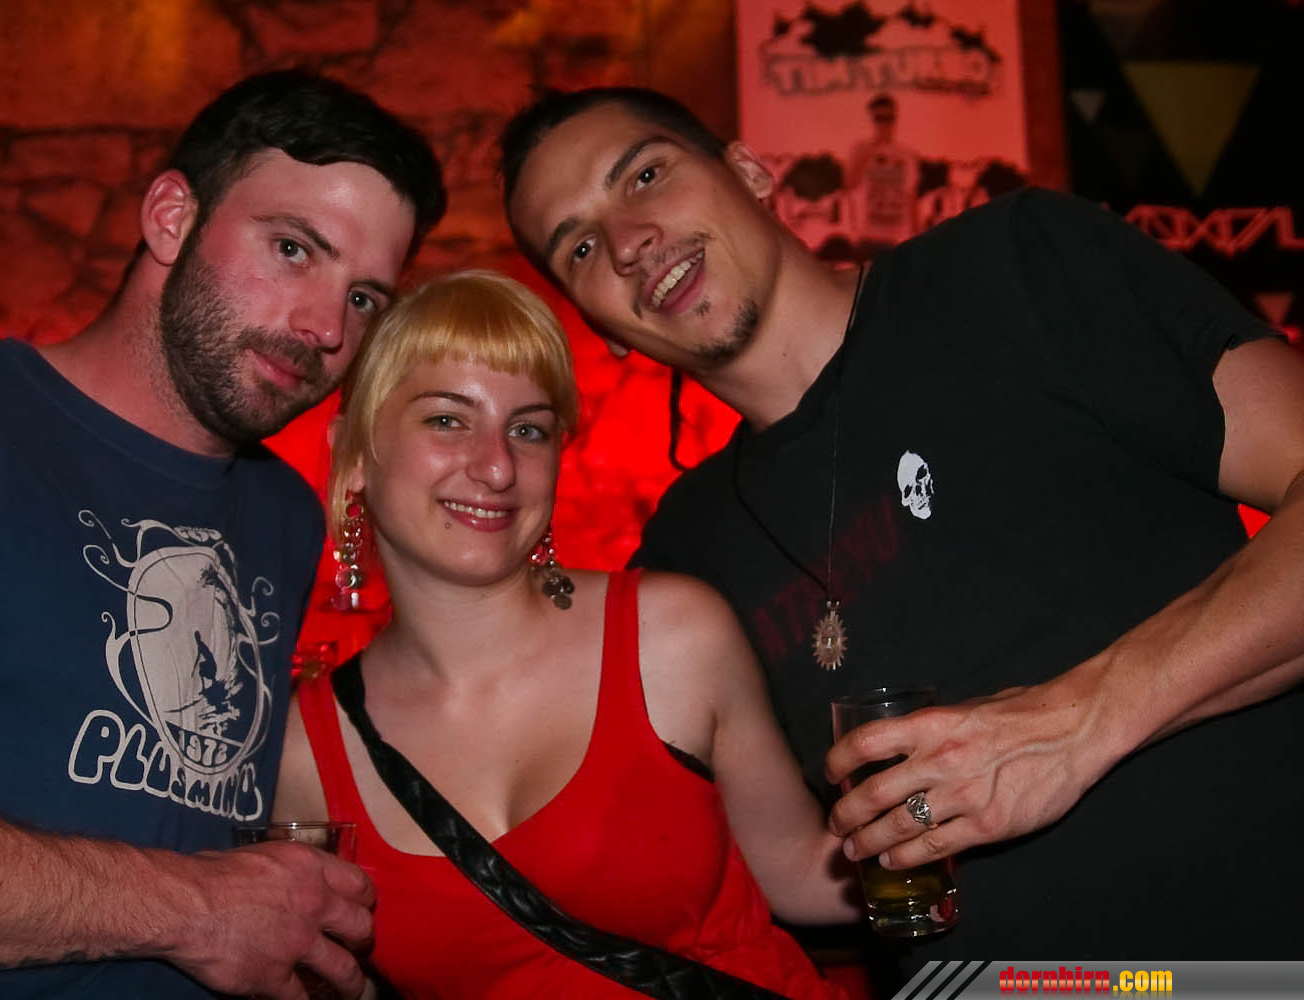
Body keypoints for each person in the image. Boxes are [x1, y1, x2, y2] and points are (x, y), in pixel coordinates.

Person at [498, 86, 1304, 960]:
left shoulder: (1016, 265)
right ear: (600, 328)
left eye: (646, 175)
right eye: (581, 247)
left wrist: (1078, 722)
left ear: (750, 172)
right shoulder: (684, 558)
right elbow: (766, 863)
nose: (628, 243)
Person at [0, 69, 445, 999]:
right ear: (172, 218)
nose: (323, 328)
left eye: (364, 299)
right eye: (294, 249)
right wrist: (193, 908)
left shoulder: (284, 516)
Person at [272, 270, 858, 998]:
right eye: (447, 420)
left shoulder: (669, 637)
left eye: (529, 429)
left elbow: (801, 872)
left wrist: (948, 820)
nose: (497, 467)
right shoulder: (304, 753)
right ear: (355, 456)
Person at [843, 93, 919, 255]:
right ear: (870, 120)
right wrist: (873, 147)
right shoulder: (860, 151)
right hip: (866, 235)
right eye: (879, 118)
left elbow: (911, 198)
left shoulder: (907, 156)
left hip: (897, 238)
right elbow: (850, 183)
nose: (885, 124)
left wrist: (917, 238)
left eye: (889, 118)